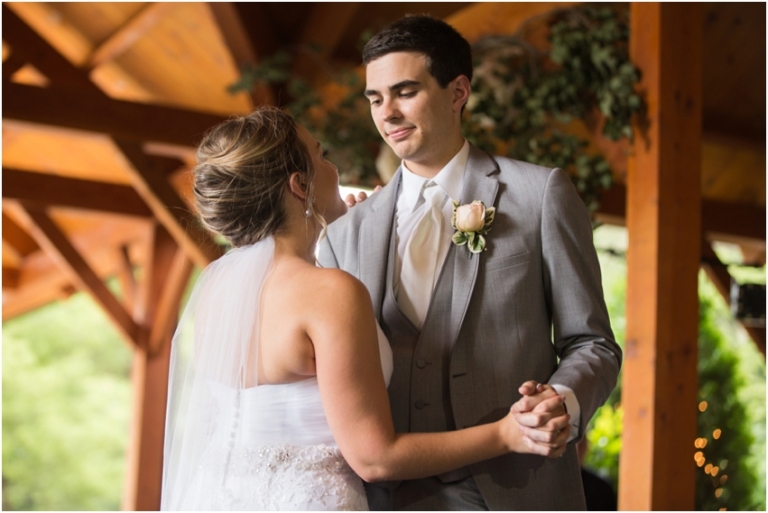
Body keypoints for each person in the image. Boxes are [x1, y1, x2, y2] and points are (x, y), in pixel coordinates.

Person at [160, 107, 572, 510]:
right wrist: (506, 434)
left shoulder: (216, 290)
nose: (333, 168)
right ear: (300, 185)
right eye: (321, 156)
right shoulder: (328, 292)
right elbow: (376, 458)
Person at [317, 14, 623, 510]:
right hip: (383, 498)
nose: (387, 113)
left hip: (517, 489)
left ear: (457, 92)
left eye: (405, 92)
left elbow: (592, 342)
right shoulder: (344, 235)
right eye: (375, 98)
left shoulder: (539, 194)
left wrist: (559, 403)